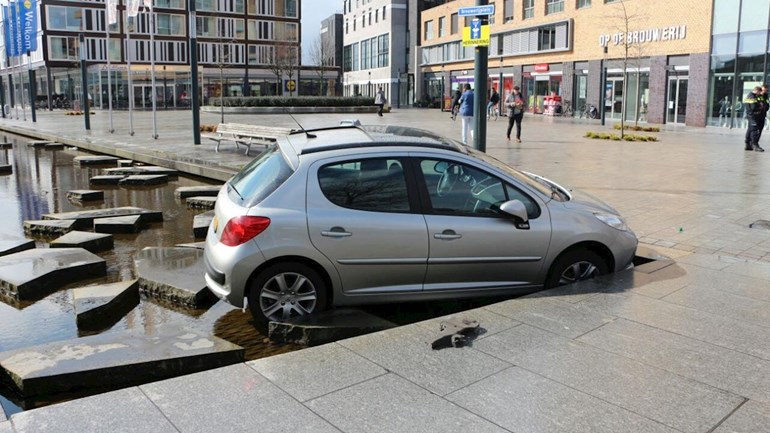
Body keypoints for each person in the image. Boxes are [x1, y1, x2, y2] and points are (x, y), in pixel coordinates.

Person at [744, 86, 765, 152]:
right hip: (752, 115)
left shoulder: (751, 95)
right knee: (754, 129)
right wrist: (760, 106)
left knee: (750, 129)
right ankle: (755, 145)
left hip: (751, 115)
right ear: (757, 90)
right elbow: (753, 107)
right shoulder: (752, 96)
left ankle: (748, 145)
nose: (759, 94)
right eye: (759, 92)